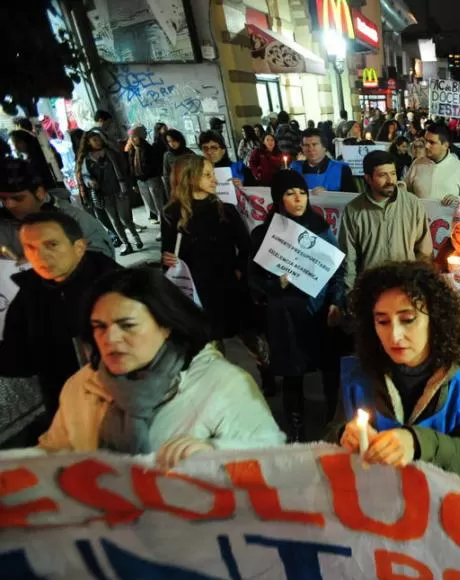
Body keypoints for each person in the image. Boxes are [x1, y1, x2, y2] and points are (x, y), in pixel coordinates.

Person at [38, 268, 285, 466]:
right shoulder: (82, 386)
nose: (110, 338)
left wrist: (217, 455)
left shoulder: (225, 384)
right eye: (99, 326)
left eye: (127, 325)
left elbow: (273, 459)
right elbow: (53, 454)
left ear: (165, 325)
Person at [327, 261, 460, 487]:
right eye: (382, 321)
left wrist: (417, 443)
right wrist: (344, 434)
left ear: (435, 319)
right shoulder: (358, 375)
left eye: (408, 320)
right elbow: (332, 431)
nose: (394, 336)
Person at [250, 170, 345, 437]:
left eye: (302, 193)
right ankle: (296, 427)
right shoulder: (262, 236)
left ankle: (332, 420)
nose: (298, 199)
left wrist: (336, 303)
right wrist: (273, 284)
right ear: (278, 199)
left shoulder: (321, 228)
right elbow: (252, 279)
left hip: (319, 313)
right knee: (293, 375)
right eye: (290, 194)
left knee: (330, 372)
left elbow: (337, 270)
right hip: (285, 318)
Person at [0, 212, 119, 422]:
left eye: (51, 244)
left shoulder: (119, 284)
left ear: (79, 247)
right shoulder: (28, 294)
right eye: (31, 248)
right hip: (67, 411)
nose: (40, 256)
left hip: (124, 405)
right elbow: (21, 359)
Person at [161, 156, 252, 341]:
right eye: (207, 175)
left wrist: (240, 271)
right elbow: (168, 252)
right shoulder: (171, 213)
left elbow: (246, 246)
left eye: (214, 174)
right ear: (191, 177)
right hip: (196, 289)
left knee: (242, 331)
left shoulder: (225, 210)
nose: (215, 180)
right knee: (210, 338)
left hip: (226, 284)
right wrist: (167, 261)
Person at [339, 150, 433, 297]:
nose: (391, 180)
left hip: (406, 288)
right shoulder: (354, 210)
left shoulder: (412, 204)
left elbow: (424, 251)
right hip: (370, 291)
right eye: (383, 175)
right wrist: (350, 295)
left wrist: (419, 285)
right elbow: (349, 260)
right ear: (368, 178)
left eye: (393, 173)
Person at [0, 159, 113, 259]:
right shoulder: (4, 226)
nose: (9, 205)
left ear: (40, 193)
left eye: (17, 198)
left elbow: (103, 263)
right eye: (3, 199)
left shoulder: (77, 221)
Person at [79, 130, 143, 256]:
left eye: (99, 139)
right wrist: (90, 181)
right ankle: (126, 244)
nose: (98, 142)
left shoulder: (111, 153)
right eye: (94, 140)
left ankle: (136, 238)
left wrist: (127, 185)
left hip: (119, 190)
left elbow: (123, 168)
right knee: (115, 220)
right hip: (104, 194)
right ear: (88, 142)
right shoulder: (87, 159)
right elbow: (85, 176)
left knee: (125, 218)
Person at [406, 123, 460, 205]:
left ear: (445, 145)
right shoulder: (417, 163)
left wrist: (459, 199)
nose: (426, 146)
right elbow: (405, 190)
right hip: (419, 217)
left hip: (449, 217)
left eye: (432, 142)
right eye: (426, 141)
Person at [290, 128, 356, 193]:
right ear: (302, 147)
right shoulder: (295, 169)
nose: (310, 149)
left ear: (324, 146)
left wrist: (328, 194)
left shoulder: (342, 169)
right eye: (306, 145)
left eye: (314, 144)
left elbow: (353, 199)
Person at [126, 125, 166, 224]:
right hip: (140, 180)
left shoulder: (149, 148)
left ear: (141, 137)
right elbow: (131, 168)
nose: (132, 139)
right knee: (149, 202)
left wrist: (148, 174)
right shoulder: (132, 150)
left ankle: (163, 221)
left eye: (134, 136)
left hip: (152, 178)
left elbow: (154, 165)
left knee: (158, 202)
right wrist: (134, 183)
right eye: (131, 137)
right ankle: (155, 216)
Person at [162, 129, 195, 196]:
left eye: (173, 140)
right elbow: (166, 175)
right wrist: (169, 193)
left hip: (190, 187)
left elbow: (196, 171)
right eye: (169, 141)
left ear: (179, 140)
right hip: (176, 189)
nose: (172, 144)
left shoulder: (189, 153)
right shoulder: (167, 155)